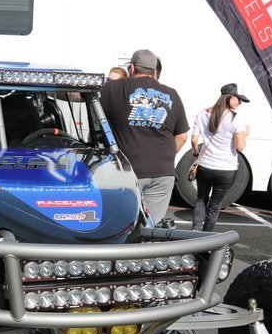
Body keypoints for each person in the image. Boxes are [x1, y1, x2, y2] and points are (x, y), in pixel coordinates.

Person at [100, 49, 189, 223]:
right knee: (150, 228)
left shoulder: (114, 88)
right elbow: (182, 136)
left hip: (128, 171)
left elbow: (78, 96)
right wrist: (164, 156)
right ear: (154, 71)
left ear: (132, 68)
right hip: (163, 172)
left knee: (121, 225)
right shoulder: (172, 94)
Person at [190, 83, 250, 231]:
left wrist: (196, 153)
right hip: (226, 169)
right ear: (230, 97)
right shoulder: (236, 119)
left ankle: (195, 231)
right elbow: (240, 147)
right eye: (239, 99)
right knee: (215, 206)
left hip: (205, 166)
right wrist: (245, 134)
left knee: (201, 199)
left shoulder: (202, 113)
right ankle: (206, 238)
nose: (240, 103)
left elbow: (194, 140)